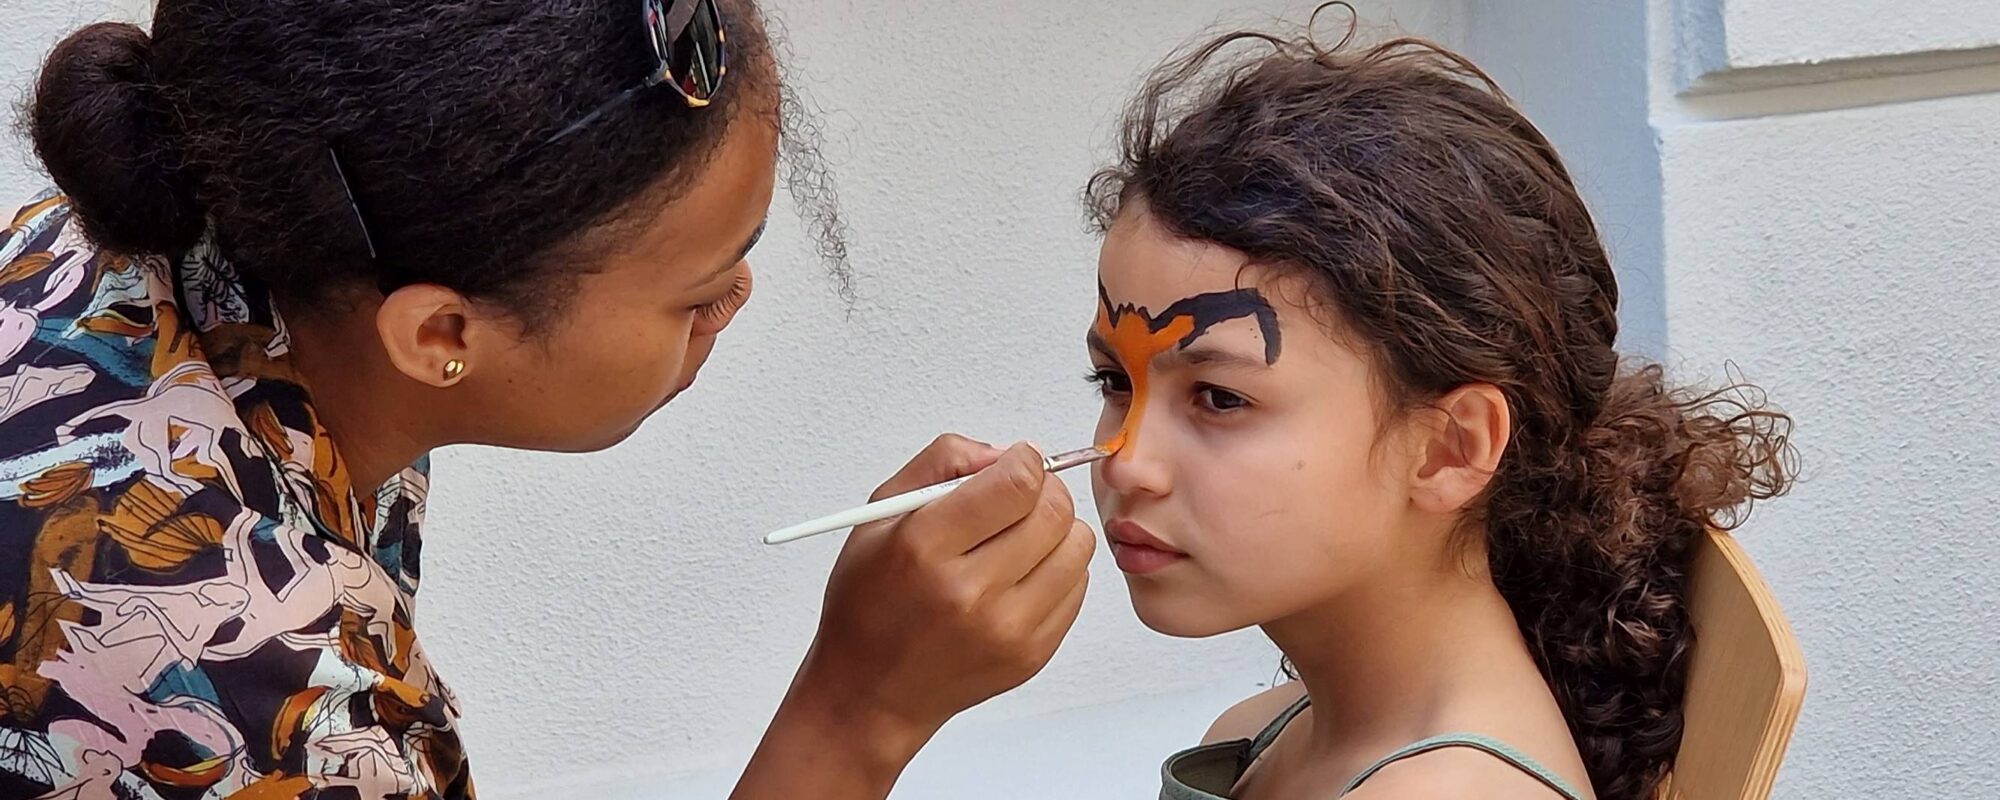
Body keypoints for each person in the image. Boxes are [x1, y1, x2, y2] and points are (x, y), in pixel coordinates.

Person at [0, 1, 1093, 798]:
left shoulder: (168, 244)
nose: (737, 299)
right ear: (441, 334)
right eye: (699, 290)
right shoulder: (250, 693)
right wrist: (859, 712)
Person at [1079, 26, 1796, 800]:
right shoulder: (1262, 734)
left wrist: (922, 690)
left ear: (1451, 448)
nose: (1126, 461)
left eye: (1220, 398)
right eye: (1113, 380)